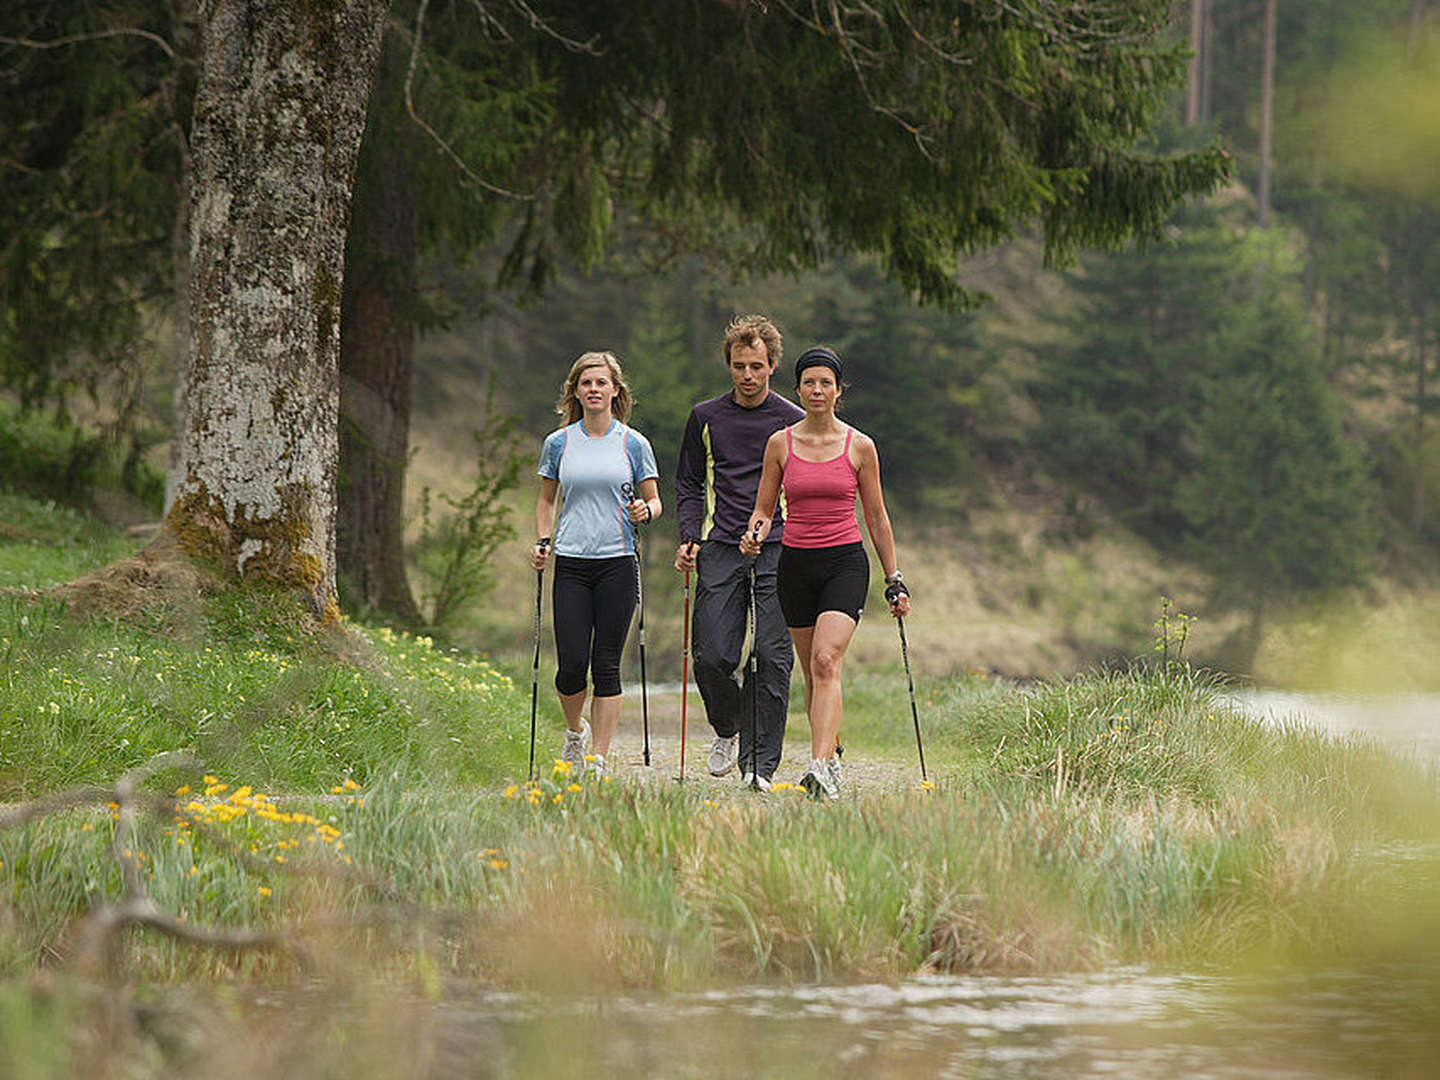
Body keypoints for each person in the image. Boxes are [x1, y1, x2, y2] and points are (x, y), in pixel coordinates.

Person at [741, 346, 911, 799]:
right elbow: (763, 509)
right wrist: (754, 534)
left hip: (844, 564)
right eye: (809, 383)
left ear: (839, 391)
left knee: (825, 661)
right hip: (795, 565)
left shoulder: (860, 446)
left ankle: (819, 769)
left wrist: (894, 578)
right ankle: (831, 751)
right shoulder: (781, 443)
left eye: (826, 383)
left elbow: (876, 517)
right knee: (812, 671)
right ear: (797, 389)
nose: (817, 390)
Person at [674, 315, 804, 791]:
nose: (747, 375)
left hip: (779, 548)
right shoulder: (705, 418)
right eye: (738, 366)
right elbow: (688, 481)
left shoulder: (792, 421)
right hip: (721, 545)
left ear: (772, 366)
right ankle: (728, 730)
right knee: (711, 654)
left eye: (756, 366)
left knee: (771, 656)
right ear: (728, 365)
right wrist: (690, 534)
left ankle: (760, 767)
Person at [532, 351, 661, 779]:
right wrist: (542, 542)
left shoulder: (632, 443)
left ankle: (598, 758)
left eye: (601, 383)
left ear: (615, 390)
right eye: (586, 383)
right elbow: (547, 500)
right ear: (575, 391)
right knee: (570, 665)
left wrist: (647, 510)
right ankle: (575, 731)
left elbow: (654, 498)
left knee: (606, 662)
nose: (593, 390)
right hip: (571, 561)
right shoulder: (560, 442)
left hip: (618, 563)